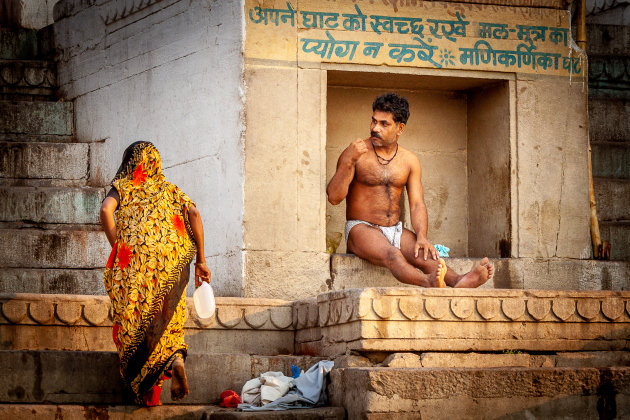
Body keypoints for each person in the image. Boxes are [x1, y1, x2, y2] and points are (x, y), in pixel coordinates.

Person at [326, 93, 493, 288]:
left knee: (424, 254)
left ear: (400, 128)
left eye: (383, 124)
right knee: (393, 255)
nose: (375, 128)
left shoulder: (409, 160)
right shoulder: (356, 153)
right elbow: (334, 197)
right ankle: (427, 282)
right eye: (373, 121)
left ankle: (458, 280)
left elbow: (416, 203)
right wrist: (348, 160)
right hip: (361, 229)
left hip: (395, 229)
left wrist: (422, 236)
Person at [100, 141, 211, 406]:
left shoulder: (124, 186)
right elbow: (194, 213)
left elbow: (106, 210)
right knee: (167, 320)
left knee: (134, 322)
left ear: (130, 162)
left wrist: (118, 246)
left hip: (136, 261)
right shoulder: (169, 189)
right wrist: (201, 262)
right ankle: (176, 359)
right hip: (170, 259)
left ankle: (142, 388)